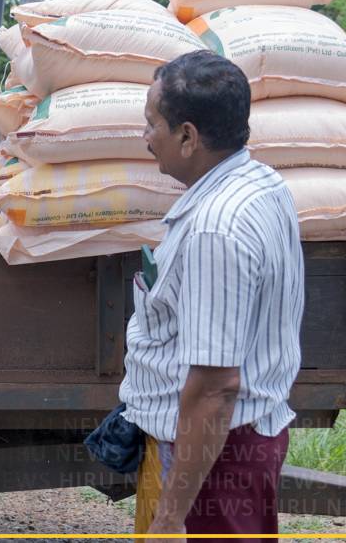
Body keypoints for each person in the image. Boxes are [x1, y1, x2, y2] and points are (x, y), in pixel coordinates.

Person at [121, 50, 304, 541]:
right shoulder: (263, 184)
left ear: (188, 136)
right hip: (230, 445)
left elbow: (215, 388)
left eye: (151, 123)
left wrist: (169, 518)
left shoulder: (216, 231)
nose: (144, 137)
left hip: (212, 458)